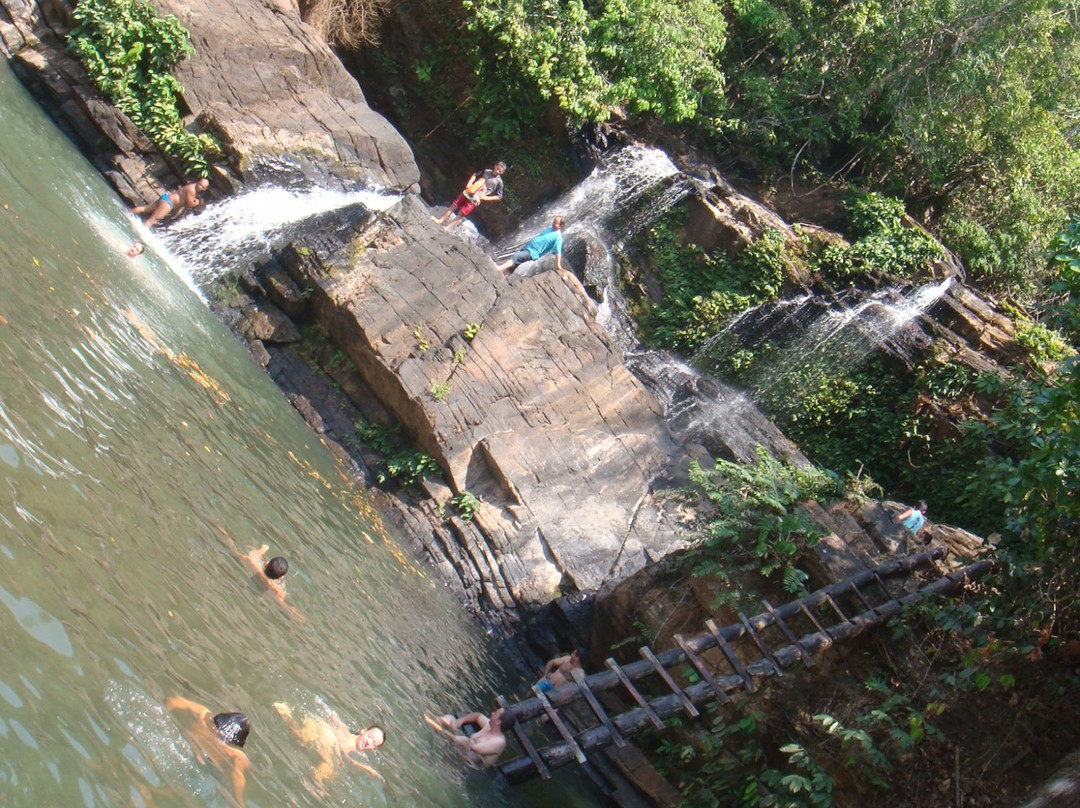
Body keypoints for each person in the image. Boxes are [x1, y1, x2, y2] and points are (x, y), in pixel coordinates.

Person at [274, 701, 385, 793]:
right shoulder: (350, 742)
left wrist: (331, 713)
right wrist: (364, 767)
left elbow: (337, 721)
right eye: (370, 736)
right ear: (363, 731)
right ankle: (315, 786)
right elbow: (345, 755)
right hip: (325, 736)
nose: (369, 742)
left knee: (299, 735)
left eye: (373, 743)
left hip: (323, 732)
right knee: (330, 767)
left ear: (373, 749)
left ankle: (286, 713)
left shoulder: (348, 734)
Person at [165, 696, 250, 806]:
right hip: (203, 765)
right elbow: (237, 779)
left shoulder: (203, 715)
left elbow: (174, 700)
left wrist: (163, 713)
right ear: (241, 743)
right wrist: (240, 802)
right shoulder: (236, 755)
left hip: (183, 742)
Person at [221, 529, 305, 622]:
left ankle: (263, 549)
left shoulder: (250, 562)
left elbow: (234, 551)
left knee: (255, 553)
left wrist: (225, 533)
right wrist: (299, 617)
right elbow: (285, 608)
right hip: (254, 598)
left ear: (266, 564)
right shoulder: (277, 591)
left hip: (246, 583)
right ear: (280, 578)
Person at [424, 707, 516, 768]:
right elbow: (478, 716)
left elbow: (476, 748)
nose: (492, 713)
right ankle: (434, 721)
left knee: (461, 739)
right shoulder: (489, 725)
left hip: (471, 765)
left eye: (495, 713)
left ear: (498, 722)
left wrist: (457, 735)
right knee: (450, 719)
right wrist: (460, 721)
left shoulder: (499, 742)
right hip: (464, 745)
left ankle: (434, 726)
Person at [432, 162, 506, 230]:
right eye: (497, 169)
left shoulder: (499, 182)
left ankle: (447, 228)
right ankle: (440, 220)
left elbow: (499, 196)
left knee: (461, 214)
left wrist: (486, 198)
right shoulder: (487, 171)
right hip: (470, 191)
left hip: (475, 199)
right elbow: (475, 175)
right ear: (495, 166)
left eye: (500, 171)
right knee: (454, 205)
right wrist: (470, 183)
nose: (497, 171)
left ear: (502, 172)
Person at [497, 216, 566, 278]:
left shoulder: (558, 237)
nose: (553, 223)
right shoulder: (550, 229)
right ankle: (504, 276)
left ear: (560, 226)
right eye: (553, 221)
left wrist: (558, 265)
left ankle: (499, 268)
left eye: (555, 223)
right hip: (528, 247)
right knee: (515, 263)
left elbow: (558, 251)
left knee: (516, 257)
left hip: (533, 252)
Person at [132, 178, 210, 228]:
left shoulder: (193, 189)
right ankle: (140, 237)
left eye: (203, 187)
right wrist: (199, 202)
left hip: (166, 197)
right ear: (198, 182)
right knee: (152, 220)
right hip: (168, 203)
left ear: (205, 188)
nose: (200, 187)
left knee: (146, 209)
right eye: (200, 184)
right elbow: (190, 204)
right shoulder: (192, 190)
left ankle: (128, 213)